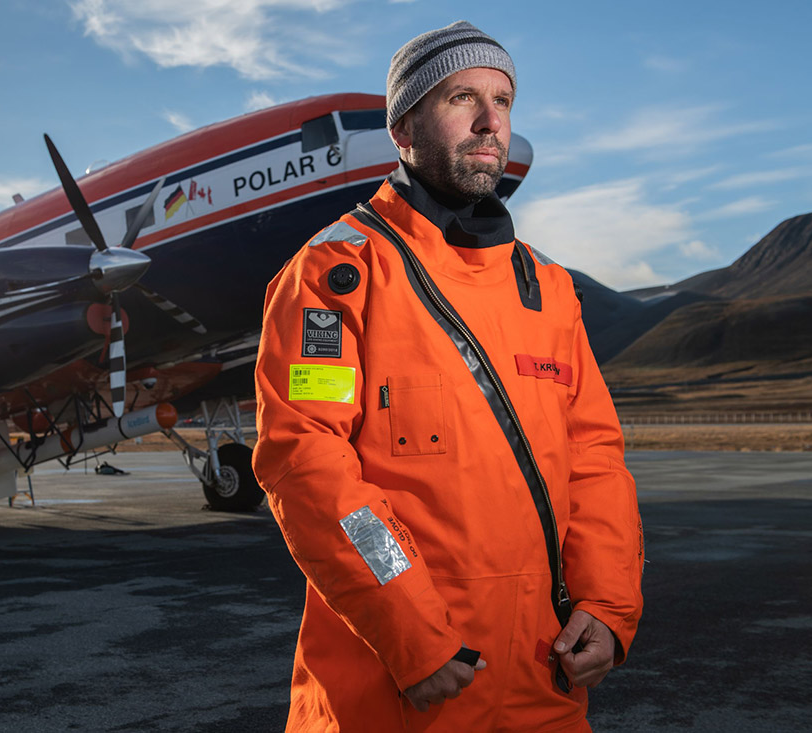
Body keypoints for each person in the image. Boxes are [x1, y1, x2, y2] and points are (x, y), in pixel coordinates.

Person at [252, 20, 644, 732]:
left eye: (504, 99)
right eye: (462, 97)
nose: (492, 122)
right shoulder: (334, 277)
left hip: (544, 686)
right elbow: (309, 465)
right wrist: (412, 633)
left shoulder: (548, 288)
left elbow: (595, 459)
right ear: (403, 130)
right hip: (399, 691)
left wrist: (608, 606)